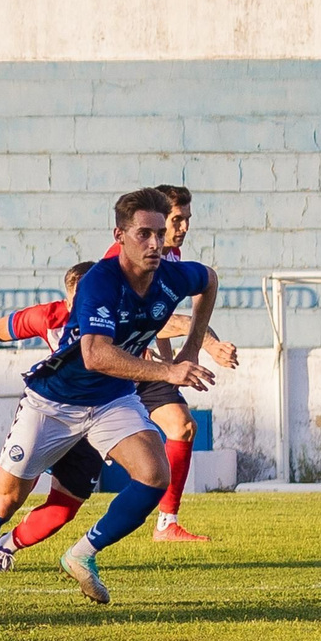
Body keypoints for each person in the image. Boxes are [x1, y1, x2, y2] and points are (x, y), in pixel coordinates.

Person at [0, 188, 218, 611]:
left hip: (110, 402)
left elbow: (209, 279)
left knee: (154, 474)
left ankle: (81, 554)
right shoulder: (100, 282)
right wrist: (170, 369)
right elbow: (96, 354)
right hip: (52, 403)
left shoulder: (172, 276)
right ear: (119, 235)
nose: (156, 244)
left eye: (161, 233)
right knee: (7, 499)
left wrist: (193, 348)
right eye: (145, 234)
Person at [0, 270, 237, 573]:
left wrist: (205, 345)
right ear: (69, 301)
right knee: (15, 485)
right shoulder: (48, 317)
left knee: (62, 511)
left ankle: (8, 545)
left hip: (107, 405)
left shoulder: (121, 308)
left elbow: (175, 318)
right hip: (55, 409)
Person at [100, 184, 237, 541]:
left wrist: (177, 357)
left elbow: (163, 312)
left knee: (183, 426)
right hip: (110, 367)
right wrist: (206, 343)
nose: (183, 228)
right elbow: (153, 315)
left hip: (148, 367)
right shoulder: (124, 258)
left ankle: (167, 523)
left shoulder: (170, 258)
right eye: (176, 220)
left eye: (186, 220)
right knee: (52, 453)